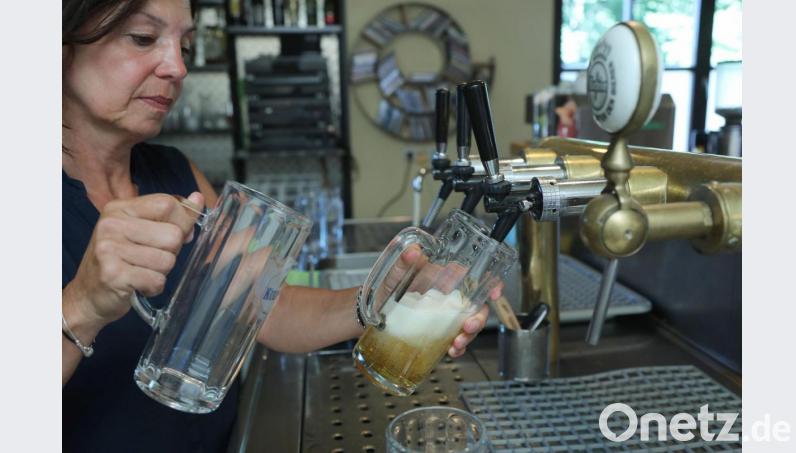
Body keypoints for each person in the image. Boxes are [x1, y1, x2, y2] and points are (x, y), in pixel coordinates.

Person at [62, 1, 494, 451]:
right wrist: (80, 306)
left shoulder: (172, 172)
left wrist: (383, 296)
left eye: (185, 45)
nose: (177, 67)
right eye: (143, 38)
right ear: (60, 44)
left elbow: (270, 311)